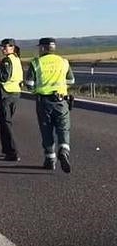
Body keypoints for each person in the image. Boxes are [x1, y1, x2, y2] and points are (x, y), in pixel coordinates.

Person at [25, 38, 75, 173]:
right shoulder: (63, 62)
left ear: (42, 48)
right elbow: (71, 80)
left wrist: (37, 91)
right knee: (63, 128)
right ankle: (64, 150)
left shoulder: (36, 63)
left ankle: (50, 160)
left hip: (44, 102)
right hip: (61, 101)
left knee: (46, 130)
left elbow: (29, 85)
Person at [0, 38, 23, 161]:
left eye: (5, 47)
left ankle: (13, 151)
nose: (3, 49)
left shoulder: (8, 60)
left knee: (6, 123)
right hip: (15, 93)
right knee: (5, 123)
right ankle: (7, 150)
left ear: (12, 47)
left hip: (6, 94)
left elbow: (4, 77)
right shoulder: (16, 59)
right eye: (2, 47)